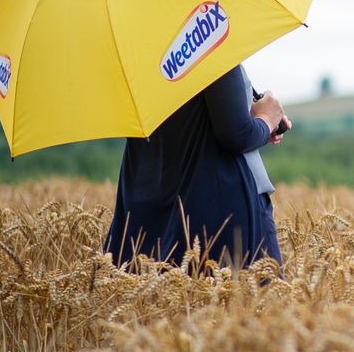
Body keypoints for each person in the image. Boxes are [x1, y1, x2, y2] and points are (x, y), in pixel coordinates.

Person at [104, 64, 290, 270]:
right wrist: (266, 120)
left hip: (148, 211)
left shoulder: (136, 53)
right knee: (249, 300)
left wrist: (257, 120)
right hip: (220, 210)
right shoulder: (209, 39)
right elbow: (237, 134)